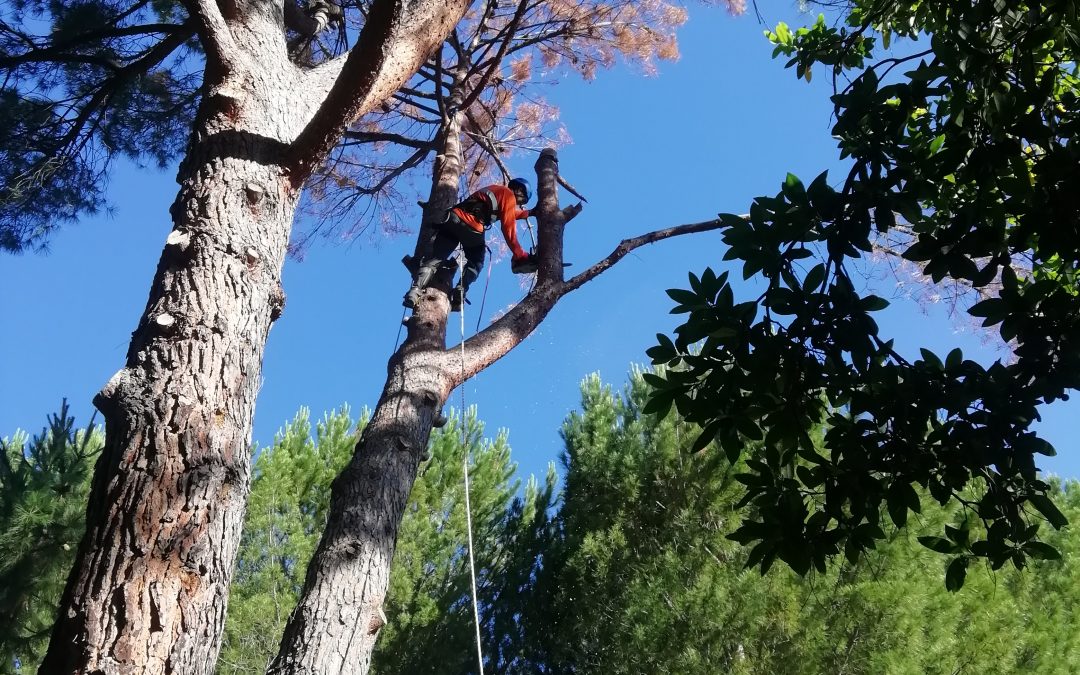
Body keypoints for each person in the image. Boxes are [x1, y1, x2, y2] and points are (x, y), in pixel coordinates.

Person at [404, 177, 537, 311]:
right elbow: (508, 228)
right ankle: (460, 291)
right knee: (476, 261)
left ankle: (414, 291)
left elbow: (510, 213)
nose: (518, 203)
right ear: (520, 190)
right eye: (521, 200)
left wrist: (530, 213)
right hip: (472, 228)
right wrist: (520, 254)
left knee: (435, 259)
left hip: (453, 220)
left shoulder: (496, 190)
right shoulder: (509, 195)